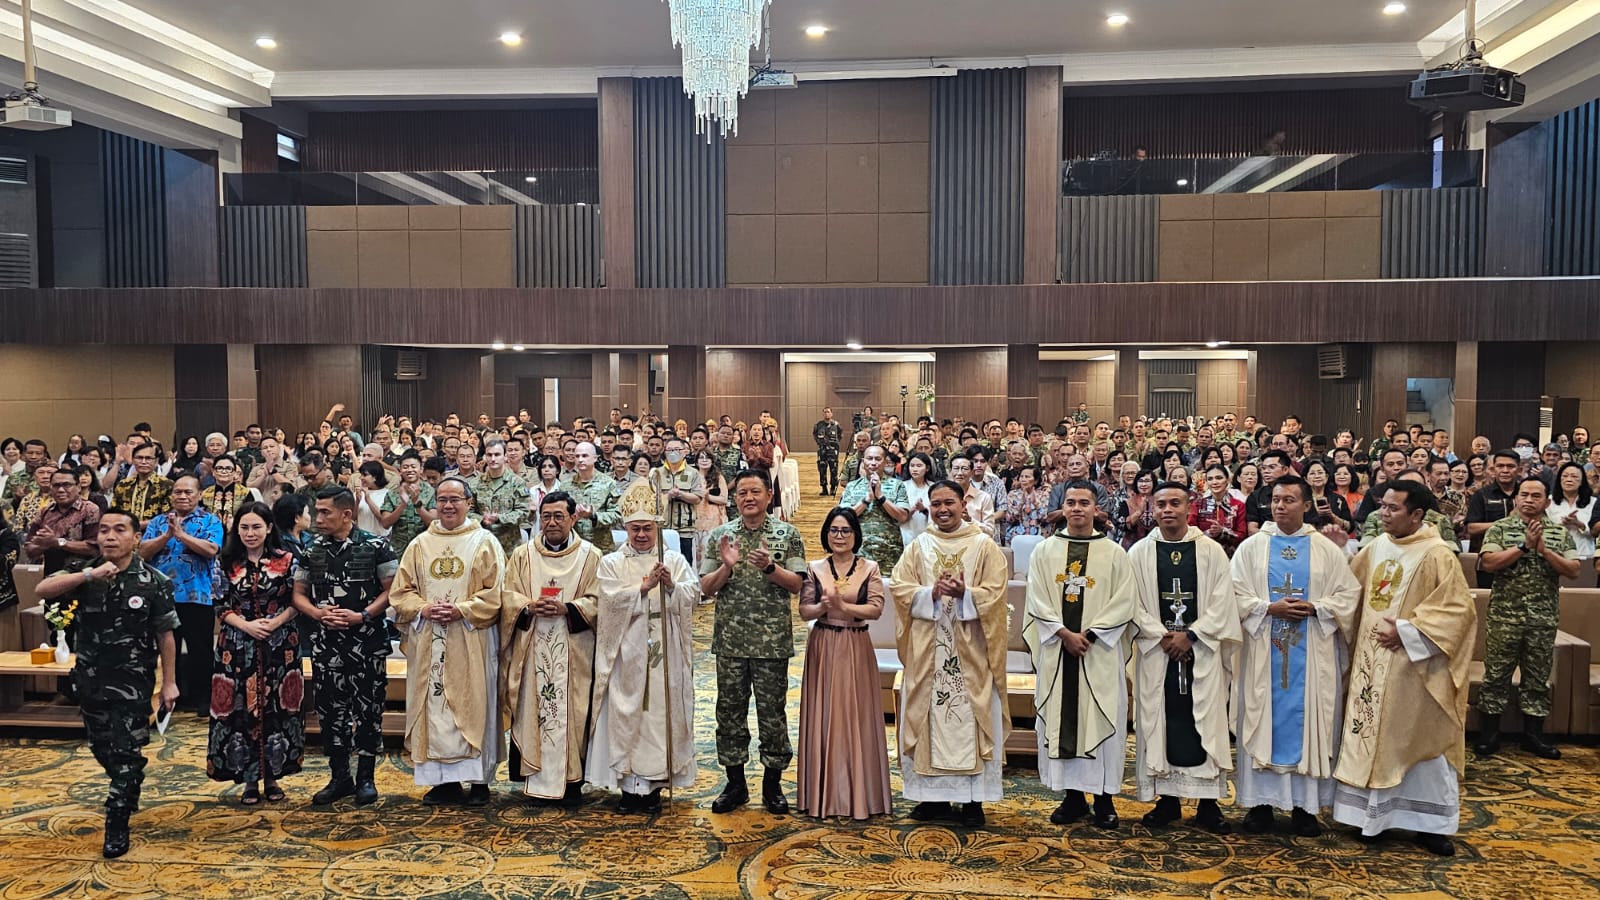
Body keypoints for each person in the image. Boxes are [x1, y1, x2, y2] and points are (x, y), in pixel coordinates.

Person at [1333, 480, 1475, 856]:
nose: (1384, 513)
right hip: (1370, 663)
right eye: (1383, 506)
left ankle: (1430, 826)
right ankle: (1371, 819)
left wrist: (1409, 631)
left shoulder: (1438, 554)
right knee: (1371, 735)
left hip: (1414, 668)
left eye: (1393, 508)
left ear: (1417, 515)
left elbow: (1459, 612)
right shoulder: (1376, 546)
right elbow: (1351, 591)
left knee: (1417, 741)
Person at [36, 508, 180, 857]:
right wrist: (87, 575)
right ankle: (127, 784)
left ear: (136, 538)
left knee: (127, 753)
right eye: (103, 531)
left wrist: (170, 683)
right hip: (90, 680)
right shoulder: (82, 573)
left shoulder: (153, 581)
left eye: (119, 530)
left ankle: (117, 820)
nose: (110, 537)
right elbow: (43, 588)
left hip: (132, 684)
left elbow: (166, 635)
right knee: (102, 748)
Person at [1230, 475, 1361, 836]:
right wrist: (1267, 608)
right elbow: (1231, 594)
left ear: (1306, 505)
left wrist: (1316, 608)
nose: (1280, 506)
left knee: (1312, 724)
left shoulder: (1325, 549)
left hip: (1313, 654)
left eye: (1289, 500)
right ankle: (1259, 805)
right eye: (1275, 499)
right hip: (1261, 653)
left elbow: (1348, 597)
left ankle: (1306, 807)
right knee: (1260, 720)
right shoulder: (1251, 548)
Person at [890, 480, 1010, 827]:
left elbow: (996, 593)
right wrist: (929, 592)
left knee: (971, 714)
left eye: (949, 503)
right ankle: (934, 799)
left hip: (971, 649)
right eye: (936, 504)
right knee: (928, 713)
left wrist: (965, 594)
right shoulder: (919, 546)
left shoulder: (984, 546)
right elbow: (899, 587)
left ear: (964, 505)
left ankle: (973, 800)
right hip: (929, 648)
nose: (943, 510)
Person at [1024, 480, 1138, 830]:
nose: (1076, 508)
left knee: (1102, 717)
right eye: (1070, 502)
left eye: (1084, 502)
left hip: (1097, 651)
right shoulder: (1044, 551)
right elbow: (1037, 597)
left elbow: (1125, 600)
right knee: (1063, 719)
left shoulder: (1115, 553)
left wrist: (1089, 634)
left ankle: (1104, 798)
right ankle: (1072, 797)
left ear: (1096, 509)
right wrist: (1063, 633)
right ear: (1062, 508)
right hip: (1059, 650)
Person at [1129, 483, 1240, 833]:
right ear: (1153, 508)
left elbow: (1224, 600)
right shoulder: (1140, 553)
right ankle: (1168, 800)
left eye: (1175, 503)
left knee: (1205, 719)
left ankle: (1209, 804)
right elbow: (1130, 601)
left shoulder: (1210, 551)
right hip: (1158, 650)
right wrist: (1161, 635)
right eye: (1160, 504)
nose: (1167, 510)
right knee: (1159, 719)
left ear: (1188, 507)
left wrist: (1191, 635)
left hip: (1200, 652)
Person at [389, 477, 506, 807]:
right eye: (442, 499)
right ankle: (443, 783)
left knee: (475, 703)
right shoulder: (419, 545)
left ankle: (479, 780)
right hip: (430, 638)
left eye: (455, 499)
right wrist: (424, 608)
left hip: (472, 637)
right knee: (433, 704)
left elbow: (496, 593)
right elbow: (401, 592)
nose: (448, 505)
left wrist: (462, 609)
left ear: (470, 502)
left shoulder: (485, 542)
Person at [588, 479, 700, 814]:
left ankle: (655, 784)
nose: (641, 535)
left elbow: (692, 597)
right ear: (625, 528)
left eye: (647, 528)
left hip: (664, 644)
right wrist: (643, 587)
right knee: (627, 712)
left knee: (659, 712)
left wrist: (670, 587)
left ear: (656, 527)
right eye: (635, 529)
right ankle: (628, 786)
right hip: (627, 649)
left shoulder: (673, 559)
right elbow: (607, 603)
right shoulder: (612, 563)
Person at [699, 469, 807, 814]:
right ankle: (735, 784)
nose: (748, 498)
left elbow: (797, 585)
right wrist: (726, 567)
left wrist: (770, 568)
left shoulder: (787, 534)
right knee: (729, 712)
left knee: (772, 713)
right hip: (730, 639)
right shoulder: (721, 535)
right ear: (735, 498)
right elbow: (705, 588)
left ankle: (773, 785)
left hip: (771, 640)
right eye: (742, 492)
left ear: (768, 496)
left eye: (755, 492)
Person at [291, 486, 399, 807]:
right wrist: (317, 612)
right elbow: (299, 593)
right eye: (317, 511)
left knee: (368, 711)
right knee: (330, 712)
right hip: (327, 646)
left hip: (367, 642)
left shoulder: (376, 546)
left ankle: (366, 778)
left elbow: (392, 591)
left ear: (347, 514)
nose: (318, 518)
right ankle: (339, 777)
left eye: (325, 512)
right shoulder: (312, 550)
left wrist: (362, 615)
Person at [501, 490, 602, 806]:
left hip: (573, 650)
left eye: (559, 516)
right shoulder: (523, 555)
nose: (552, 522)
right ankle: (534, 777)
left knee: (572, 711)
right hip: (532, 648)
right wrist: (528, 606)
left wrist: (568, 608)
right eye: (546, 516)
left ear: (574, 518)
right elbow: (507, 596)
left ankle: (572, 782)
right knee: (533, 709)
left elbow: (601, 601)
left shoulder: (590, 556)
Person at [1473, 476, 1580, 759]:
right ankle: (1489, 734)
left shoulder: (1558, 533)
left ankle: (1533, 736)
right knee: (1496, 675)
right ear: (1516, 499)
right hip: (1504, 617)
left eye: (1536, 495)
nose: (1529, 500)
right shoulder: (1500, 529)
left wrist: (1543, 550)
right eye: (1524, 494)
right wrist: (1523, 547)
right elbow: (1488, 563)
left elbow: (1573, 570)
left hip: (1542, 618)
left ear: (1546, 501)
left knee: (1537, 677)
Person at [796, 507, 891, 820]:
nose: (839, 536)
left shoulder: (869, 568)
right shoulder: (815, 567)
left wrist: (843, 605)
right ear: (826, 533)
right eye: (834, 530)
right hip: (823, 645)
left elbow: (876, 609)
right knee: (824, 717)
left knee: (855, 717)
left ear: (855, 535)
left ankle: (860, 796)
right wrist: (822, 606)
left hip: (854, 645)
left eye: (845, 531)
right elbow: (804, 611)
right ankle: (822, 796)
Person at [205, 502, 304, 805]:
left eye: (256, 527)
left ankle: (273, 777)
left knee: (276, 708)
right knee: (240, 710)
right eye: (244, 527)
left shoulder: (288, 559)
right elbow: (220, 604)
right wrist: (247, 626)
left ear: (269, 528)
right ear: (236, 529)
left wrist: (274, 623)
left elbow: (297, 600)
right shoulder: (225, 561)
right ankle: (249, 779)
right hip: (237, 644)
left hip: (280, 643)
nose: (250, 533)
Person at [137, 474, 223, 716]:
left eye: (188, 492)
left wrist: (182, 536)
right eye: (178, 492)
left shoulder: (210, 521)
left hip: (197, 597)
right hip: (161, 598)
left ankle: (203, 699)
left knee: (200, 652)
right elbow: (142, 552)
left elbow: (210, 550)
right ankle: (167, 697)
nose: (182, 496)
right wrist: (165, 536)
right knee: (163, 650)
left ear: (198, 495)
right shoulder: (157, 522)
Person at [840, 445, 911, 570]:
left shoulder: (897, 485)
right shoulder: (852, 486)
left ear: (885, 462)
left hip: (889, 552)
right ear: (863, 462)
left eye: (878, 459)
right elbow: (843, 518)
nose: (873, 463)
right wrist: (866, 500)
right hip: (858, 552)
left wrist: (881, 497)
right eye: (869, 458)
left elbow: (903, 516)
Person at [649, 436, 705, 561]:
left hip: (684, 528)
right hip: (661, 528)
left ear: (684, 452)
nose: (673, 452)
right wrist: (667, 496)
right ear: (665, 452)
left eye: (677, 449)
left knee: (685, 563)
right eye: (669, 450)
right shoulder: (657, 473)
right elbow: (650, 499)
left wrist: (680, 494)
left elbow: (698, 498)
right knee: (661, 562)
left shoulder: (693, 473)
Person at [471, 439, 529, 558]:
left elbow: (523, 512)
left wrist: (499, 518)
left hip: (509, 547)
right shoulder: (475, 483)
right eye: (489, 455)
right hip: (482, 544)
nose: (493, 459)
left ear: (505, 456)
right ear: (484, 457)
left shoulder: (517, 483)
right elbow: (467, 512)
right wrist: (481, 519)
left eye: (497, 455)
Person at [559, 442, 619, 553]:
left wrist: (593, 516)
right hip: (574, 547)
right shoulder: (565, 485)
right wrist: (572, 516)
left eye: (585, 456)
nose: (580, 459)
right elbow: (560, 515)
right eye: (577, 456)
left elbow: (617, 515)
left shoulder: (609, 484)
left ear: (595, 458)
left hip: (601, 547)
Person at [379, 452, 436, 556]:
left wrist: (417, 504)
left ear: (421, 469)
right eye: (405, 467)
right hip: (398, 549)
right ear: (400, 470)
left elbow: (433, 522)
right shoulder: (392, 493)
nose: (409, 470)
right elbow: (385, 523)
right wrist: (402, 505)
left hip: (424, 547)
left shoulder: (431, 491)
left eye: (413, 467)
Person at [1546, 461, 1596, 564]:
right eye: (1565, 476)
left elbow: (1595, 531)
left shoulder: (1593, 502)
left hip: (1585, 554)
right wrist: (1561, 524)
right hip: (1556, 555)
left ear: (1582, 481)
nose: (1569, 480)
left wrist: (1579, 524)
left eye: (1574, 477)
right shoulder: (1549, 501)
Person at [1190, 465, 1246, 556]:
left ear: (1228, 480)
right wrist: (1208, 534)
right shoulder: (1197, 504)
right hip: (1203, 554)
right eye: (1210, 479)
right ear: (1207, 482)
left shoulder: (1238, 505)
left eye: (1219, 478)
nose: (1214, 482)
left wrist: (1223, 531)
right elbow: (1191, 530)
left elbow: (1242, 535)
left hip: (1230, 556)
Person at [900, 451, 934, 547]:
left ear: (927, 468)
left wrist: (924, 510)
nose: (915, 469)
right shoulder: (902, 486)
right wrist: (912, 509)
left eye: (919, 466)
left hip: (927, 534)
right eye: (912, 466)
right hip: (906, 533)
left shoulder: (933, 487)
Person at [814, 407, 843, 496]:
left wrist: (834, 445)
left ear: (831, 414)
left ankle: (833, 488)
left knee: (833, 469)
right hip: (822, 450)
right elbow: (815, 435)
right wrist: (820, 443)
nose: (826, 414)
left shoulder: (836, 425)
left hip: (832, 451)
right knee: (822, 469)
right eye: (825, 412)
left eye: (828, 412)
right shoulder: (819, 425)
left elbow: (840, 434)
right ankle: (824, 488)